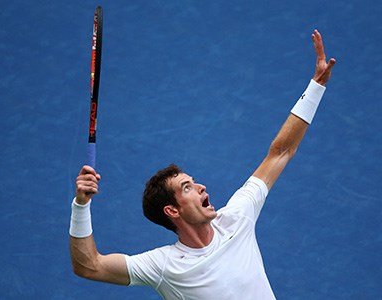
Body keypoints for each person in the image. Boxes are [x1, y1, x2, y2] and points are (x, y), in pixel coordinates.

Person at [69, 29, 336, 299]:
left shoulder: (236, 219)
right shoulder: (164, 266)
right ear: (172, 211)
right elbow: (89, 266)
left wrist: (315, 87)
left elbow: (280, 152)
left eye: (193, 182)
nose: (200, 187)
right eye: (187, 187)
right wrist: (81, 204)